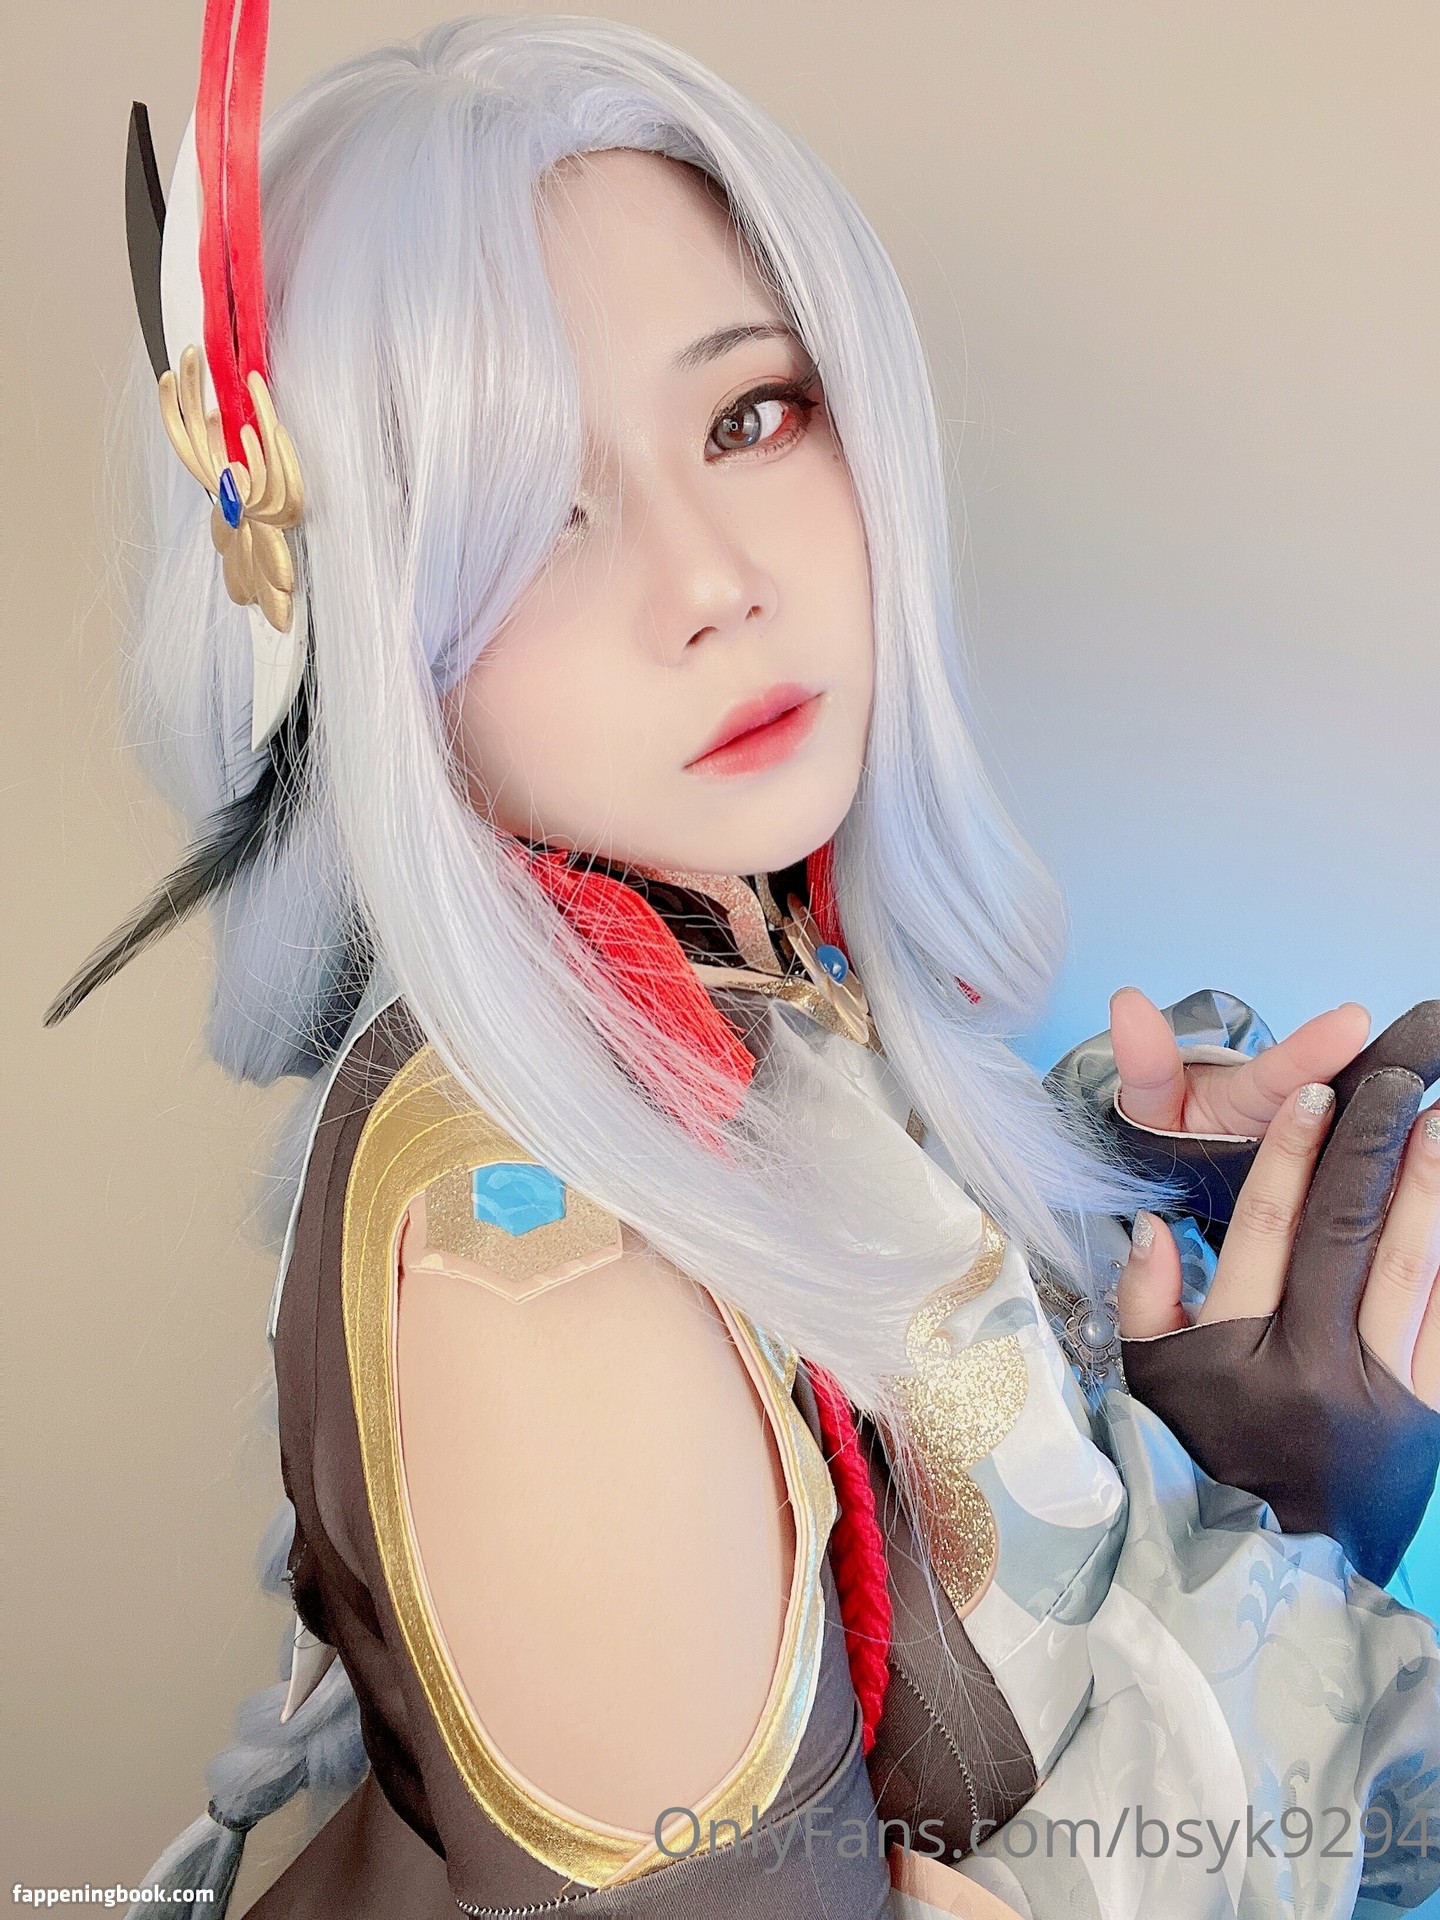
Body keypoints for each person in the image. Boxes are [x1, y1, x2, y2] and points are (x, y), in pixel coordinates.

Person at [49, 11, 1440, 1917]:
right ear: (356, 638)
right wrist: (1284, 1538)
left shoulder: (718, 943)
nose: (710, 580)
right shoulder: (544, 1275)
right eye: (526, 516)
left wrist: (1100, 1200)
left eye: (746, 417)